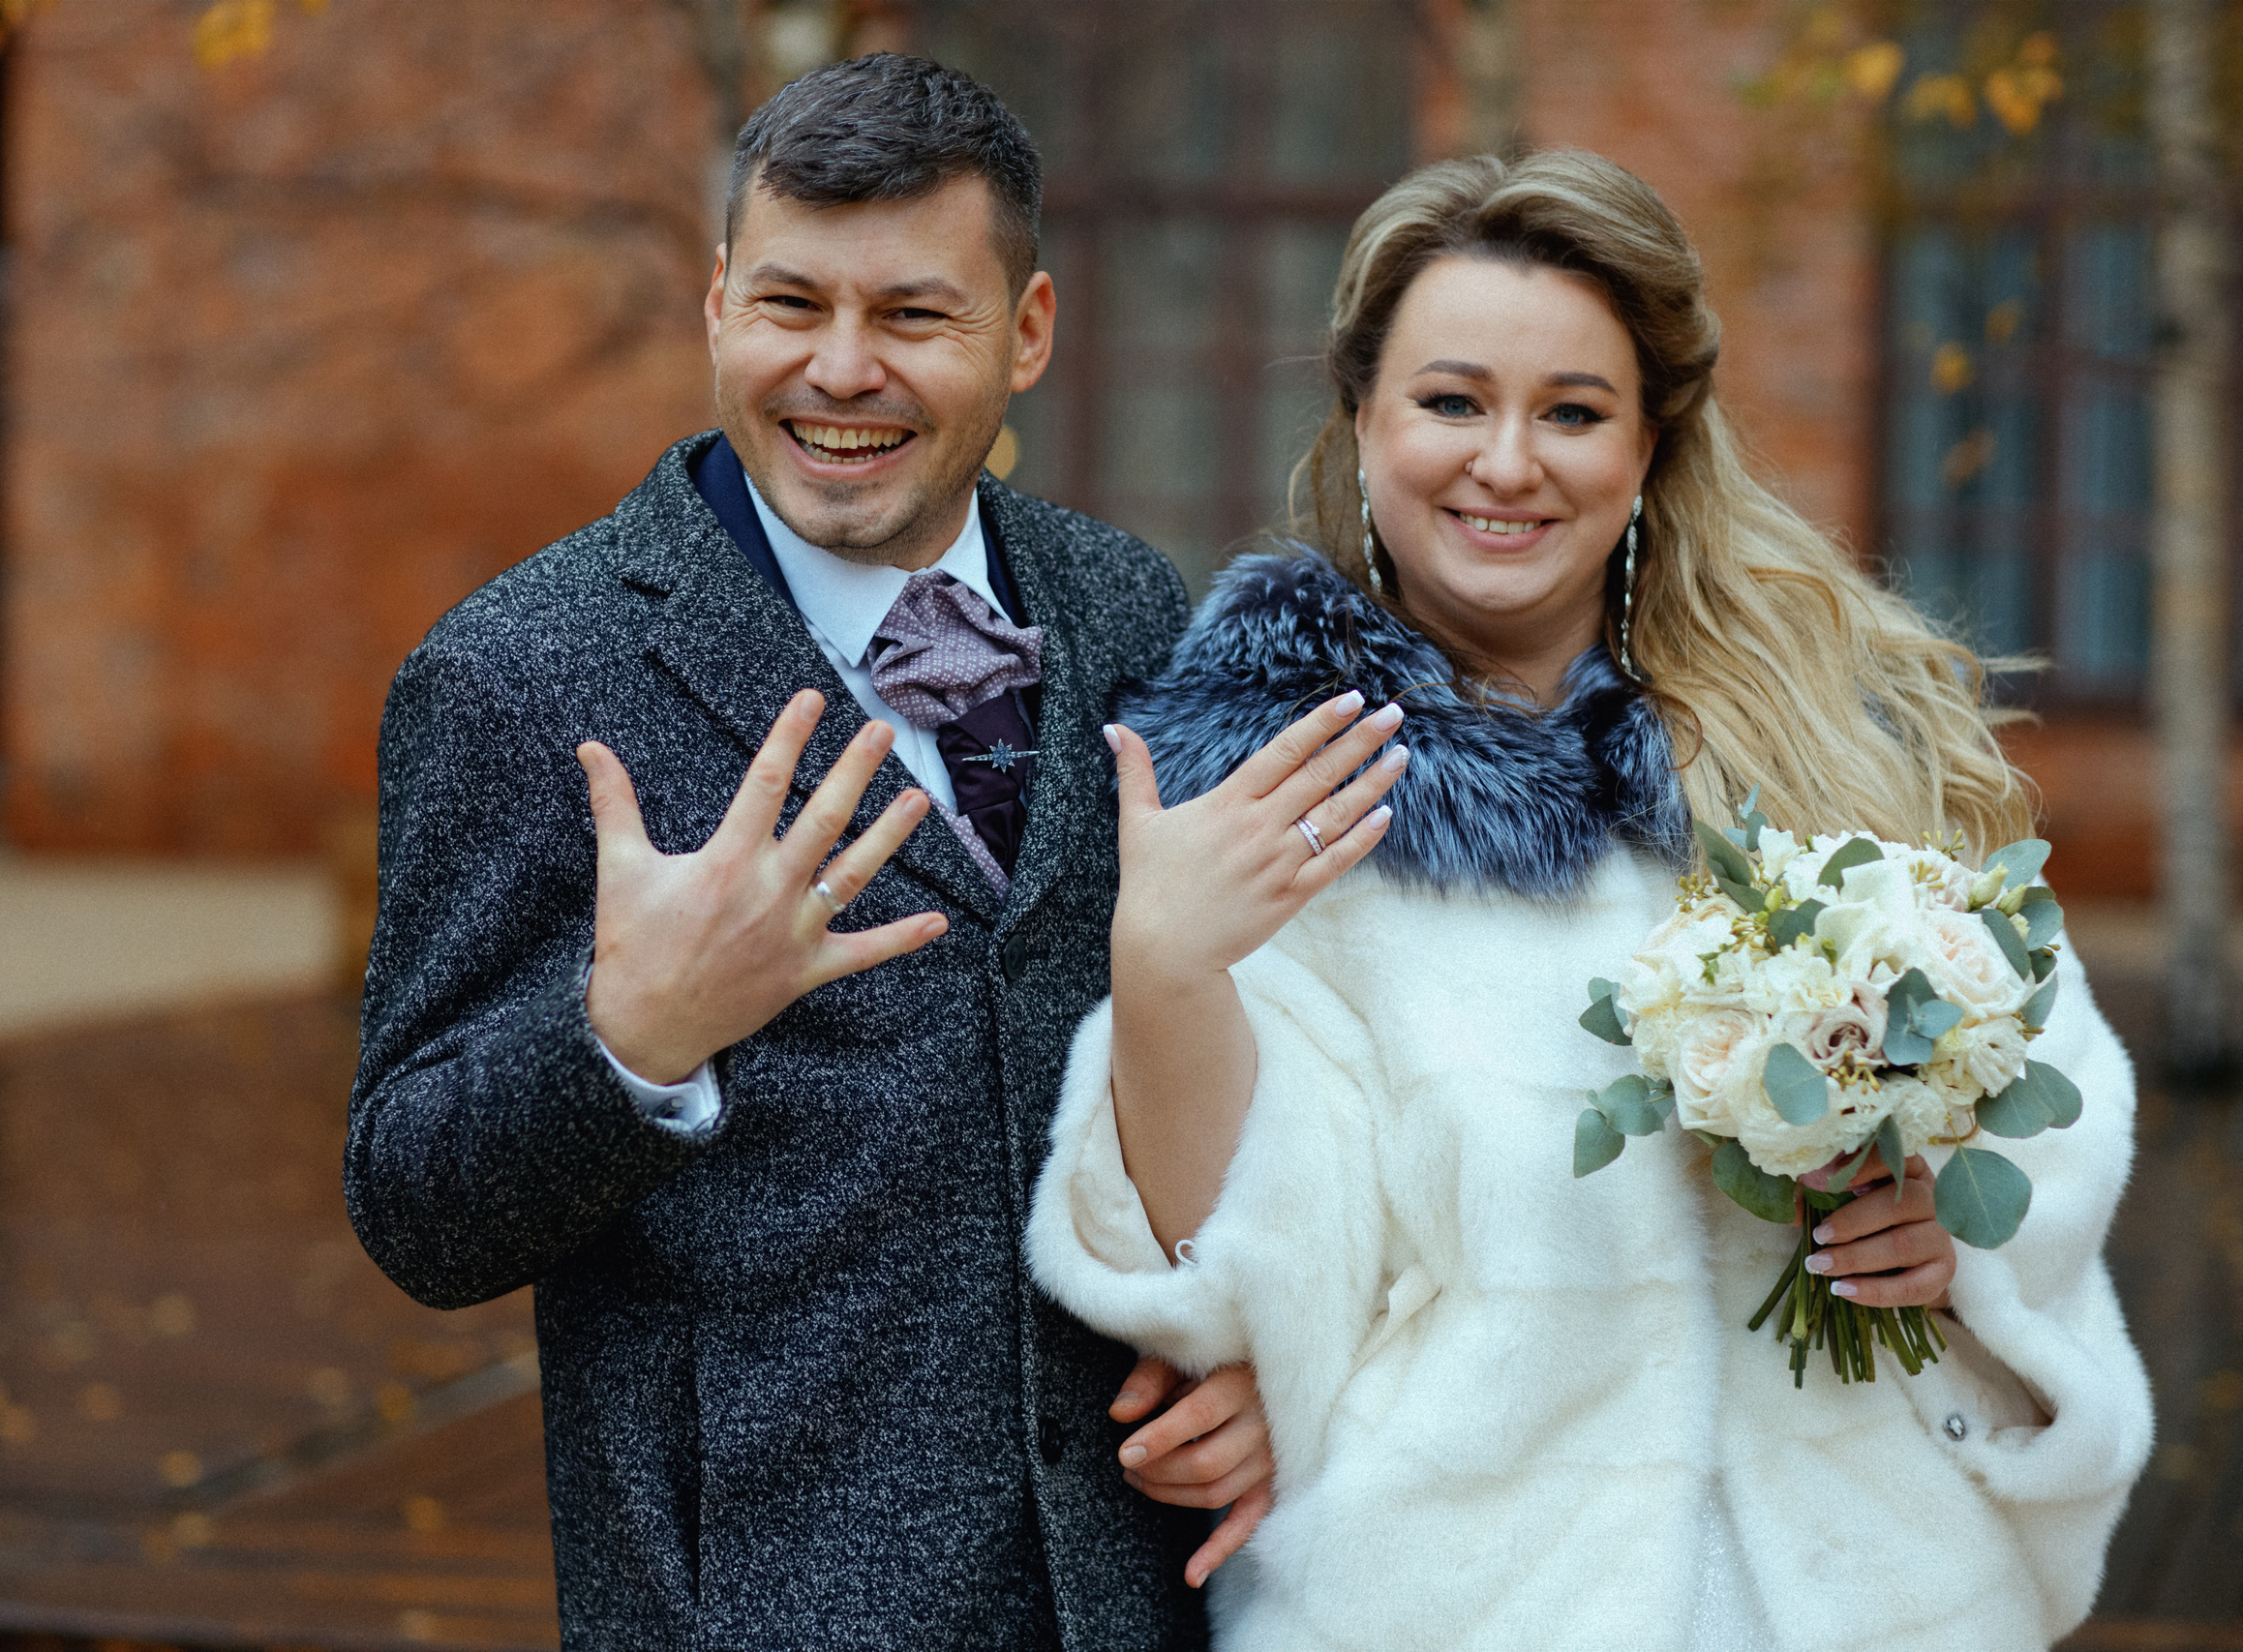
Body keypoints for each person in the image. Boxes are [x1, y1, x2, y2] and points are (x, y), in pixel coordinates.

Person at [1026, 149, 2151, 1651]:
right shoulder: (1275, 793)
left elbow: (2050, 1107)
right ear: (1362, 418)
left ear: (1646, 451)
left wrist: (1949, 1252)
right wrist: (1167, 968)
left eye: (1572, 411)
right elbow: (1261, 1271)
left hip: (1869, 1603)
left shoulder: (1831, 761)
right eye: (1450, 401)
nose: (1508, 462)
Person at [346, 54, 1272, 1651]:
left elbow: (1233, 1058)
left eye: (915, 316)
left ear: (1028, 333)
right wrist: (630, 1039)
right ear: (717, 307)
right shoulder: (517, 677)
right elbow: (414, 1209)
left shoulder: (1124, 605)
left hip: (1136, 1592)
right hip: (751, 1608)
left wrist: (1271, 1351)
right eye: (790, 305)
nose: (841, 371)